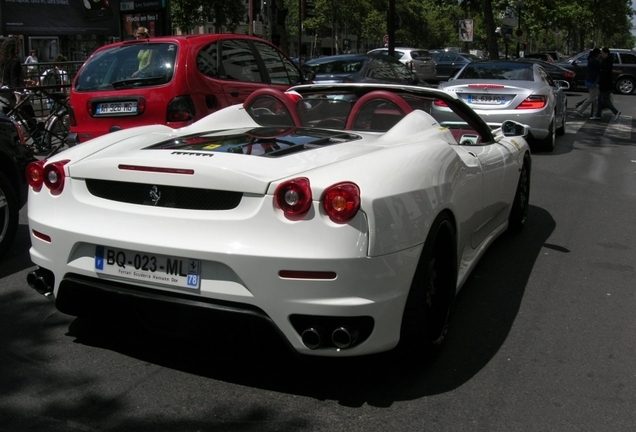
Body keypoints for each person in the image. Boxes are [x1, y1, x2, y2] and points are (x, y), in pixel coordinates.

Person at [0, 37, 37, 123]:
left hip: (5, 95)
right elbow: (14, 80)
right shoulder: (15, 61)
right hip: (17, 95)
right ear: (15, 48)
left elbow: (7, 78)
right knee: (32, 120)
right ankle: (37, 136)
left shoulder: (3, 62)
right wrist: (18, 100)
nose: (20, 48)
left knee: (8, 123)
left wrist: (24, 81)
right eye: (19, 46)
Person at [592, 47, 621, 121]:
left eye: (602, 53)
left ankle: (616, 112)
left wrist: (600, 83)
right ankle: (598, 115)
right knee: (600, 99)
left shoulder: (607, 62)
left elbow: (605, 74)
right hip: (605, 83)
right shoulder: (606, 61)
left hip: (605, 84)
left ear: (606, 53)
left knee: (603, 99)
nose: (601, 54)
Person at [575, 48, 601, 117]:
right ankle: (580, 109)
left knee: (594, 97)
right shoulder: (595, 61)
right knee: (592, 98)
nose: (600, 55)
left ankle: (596, 112)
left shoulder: (591, 60)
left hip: (591, 80)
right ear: (597, 54)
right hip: (593, 81)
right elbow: (599, 70)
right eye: (599, 54)